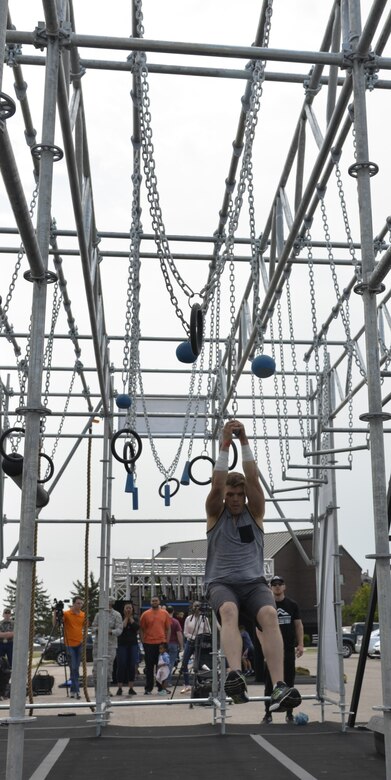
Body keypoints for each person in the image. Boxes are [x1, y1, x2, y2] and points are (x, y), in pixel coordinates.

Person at [204, 418, 301, 712]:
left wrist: (244, 441)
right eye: (230, 495)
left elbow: (253, 479)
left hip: (253, 583)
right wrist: (225, 443)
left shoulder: (255, 513)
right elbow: (217, 482)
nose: (234, 499)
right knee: (229, 610)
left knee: (271, 613)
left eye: (239, 495)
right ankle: (234, 674)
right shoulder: (214, 513)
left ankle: (279, 686)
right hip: (221, 583)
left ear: (245, 496)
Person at [260, 575, 305, 724]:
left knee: (289, 682)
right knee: (269, 683)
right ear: (270, 588)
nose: (277, 586)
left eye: (280, 584)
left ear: (284, 586)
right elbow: (260, 629)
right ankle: (268, 714)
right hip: (272, 651)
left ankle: (289, 714)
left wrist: (300, 644)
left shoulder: (292, 605)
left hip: (288, 650)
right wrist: (264, 647)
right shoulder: (267, 607)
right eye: (274, 584)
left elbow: (298, 625)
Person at [139, 596, 171, 695]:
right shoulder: (145, 614)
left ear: (159, 601)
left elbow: (168, 628)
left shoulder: (165, 613)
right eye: (153, 601)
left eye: (156, 600)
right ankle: (148, 688)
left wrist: (167, 642)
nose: (154, 602)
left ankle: (161, 688)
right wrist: (143, 641)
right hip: (148, 644)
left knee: (161, 667)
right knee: (149, 667)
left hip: (161, 643)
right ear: (150, 602)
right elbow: (141, 629)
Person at [56, 596, 85, 699]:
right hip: (69, 644)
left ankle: (74, 690)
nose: (80, 605)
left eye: (81, 603)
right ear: (73, 603)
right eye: (78, 603)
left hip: (79, 643)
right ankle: (76, 690)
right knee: (73, 667)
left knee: (76, 668)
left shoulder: (82, 614)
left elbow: (85, 626)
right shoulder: (67, 614)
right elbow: (57, 623)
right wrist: (55, 613)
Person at [92, 597, 123, 691]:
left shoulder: (116, 615)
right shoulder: (99, 614)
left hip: (110, 645)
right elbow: (93, 628)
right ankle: (97, 690)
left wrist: (110, 631)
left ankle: (106, 690)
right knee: (96, 667)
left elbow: (119, 630)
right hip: (99, 644)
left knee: (108, 668)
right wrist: (98, 629)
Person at [180, 601, 211, 694]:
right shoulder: (188, 618)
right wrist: (193, 637)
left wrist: (200, 638)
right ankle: (187, 684)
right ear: (192, 607)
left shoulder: (204, 619)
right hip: (190, 642)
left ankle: (199, 682)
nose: (196, 608)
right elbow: (185, 632)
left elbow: (208, 631)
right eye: (195, 606)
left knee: (198, 663)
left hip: (200, 643)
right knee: (184, 662)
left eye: (198, 606)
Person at [116, 602, 139, 696]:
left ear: (132, 609)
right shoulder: (120, 618)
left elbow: (136, 627)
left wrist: (130, 618)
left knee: (131, 666)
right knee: (121, 665)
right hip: (122, 645)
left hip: (133, 644)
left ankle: (131, 687)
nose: (128, 610)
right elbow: (122, 627)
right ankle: (120, 688)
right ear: (124, 610)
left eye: (130, 608)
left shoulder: (136, 618)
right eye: (127, 608)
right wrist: (126, 618)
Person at [166, 605, 183, 686]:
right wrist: (181, 646)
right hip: (173, 644)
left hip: (163, 644)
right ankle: (168, 681)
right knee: (170, 663)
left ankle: (161, 681)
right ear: (173, 611)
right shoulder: (175, 622)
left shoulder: (163, 621)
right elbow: (179, 634)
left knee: (162, 663)